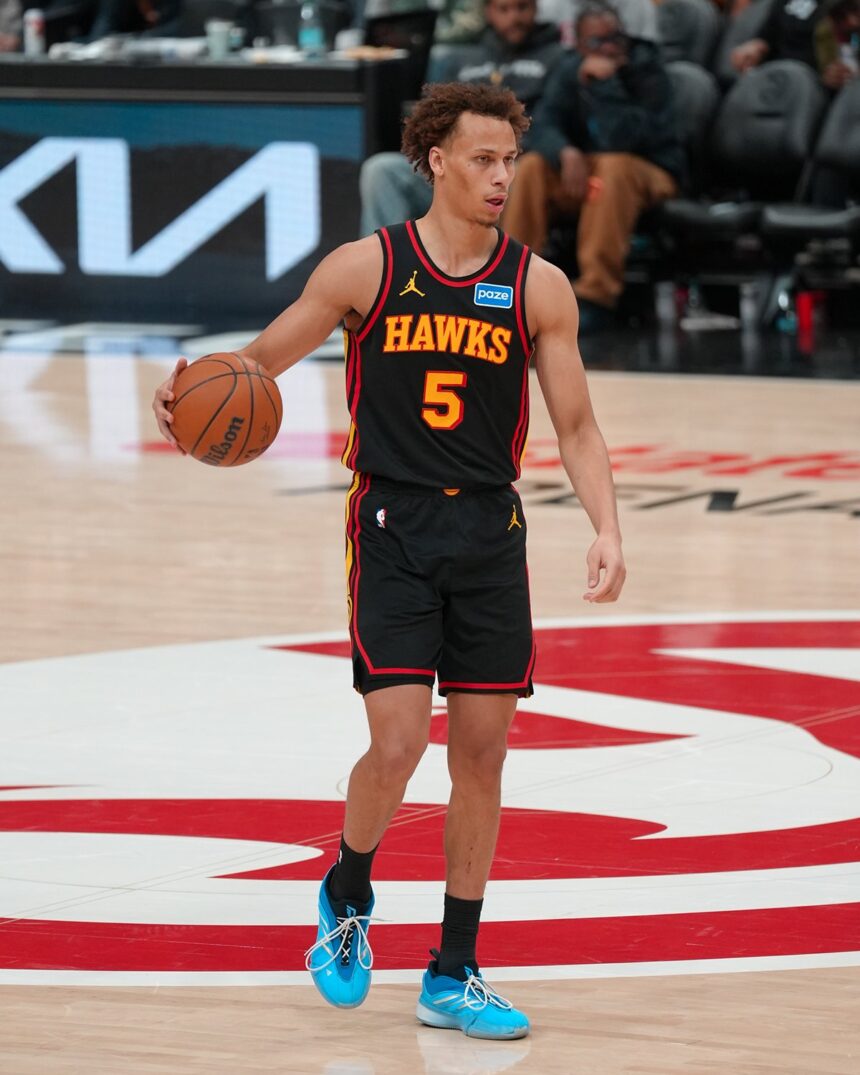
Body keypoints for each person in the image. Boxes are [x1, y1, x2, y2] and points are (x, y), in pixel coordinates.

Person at [153, 82, 625, 1039]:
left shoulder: (537, 285)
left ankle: (454, 968)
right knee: (401, 741)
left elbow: (575, 422)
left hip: (492, 534)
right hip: (393, 530)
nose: (502, 177)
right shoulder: (365, 269)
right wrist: (191, 396)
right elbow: (258, 365)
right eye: (484, 159)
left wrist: (606, 524)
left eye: (510, 160)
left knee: (482, 754)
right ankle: (349, 889)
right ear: (436, 160)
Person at [501, 1, 682, 332]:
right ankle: (512, 288)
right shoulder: (569, 66)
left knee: (613, 169)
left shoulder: (647, 67)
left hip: (649, 169)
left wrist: (604, 86)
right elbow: (541, 123)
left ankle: (596, 295)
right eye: (598, 42)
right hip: (587, 168)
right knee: (531, 168)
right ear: (580, 45)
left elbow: (625, 138)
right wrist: (565, 152)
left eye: (615, 38)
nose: (609, 47)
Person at [360, 0, 564, 235]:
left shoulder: (556, 57)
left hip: (513, 167)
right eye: (503, 9)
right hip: (458, 166)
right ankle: (383, 266)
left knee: (521, 173)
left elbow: (553, 119)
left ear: (535, 9)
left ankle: (505, 268)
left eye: (522, 8)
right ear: (488, 11)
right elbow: (433, 118)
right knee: (382, 170)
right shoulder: (461, 58)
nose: (513, 18)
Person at [730, 0, 826, 73]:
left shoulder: (835, 7)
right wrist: (755, 46)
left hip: (808, 78)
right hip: (771, 71)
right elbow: (768, 33)